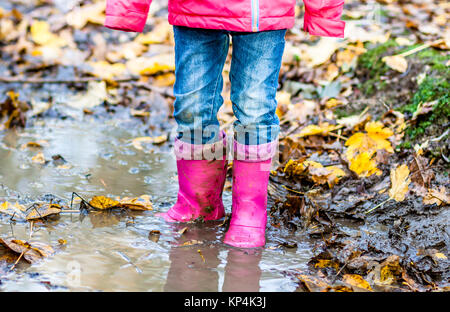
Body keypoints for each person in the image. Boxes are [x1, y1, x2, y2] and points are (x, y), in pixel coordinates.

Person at [104, 0, 345, 248]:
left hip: (263, 12)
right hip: (195, 9)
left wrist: (324, 13)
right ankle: (198, 204)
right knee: (192, 108)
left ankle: (250, 210)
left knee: (256, 108)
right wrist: (128, 9)